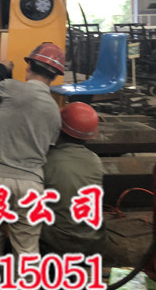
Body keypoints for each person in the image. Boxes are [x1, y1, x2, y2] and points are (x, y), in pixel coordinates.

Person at [0, 42, 65, 256]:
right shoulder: (55, 111)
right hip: (30, 184)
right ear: (54, 77)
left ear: (29, 66)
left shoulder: (11, 87)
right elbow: (48, 147)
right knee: (26, 249)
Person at [41, 102, 106, 255]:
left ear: (58, 128)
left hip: (58, 245)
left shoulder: (47, 161)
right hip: (94, 243)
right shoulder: (95, 160)